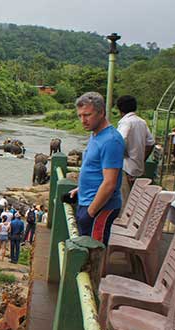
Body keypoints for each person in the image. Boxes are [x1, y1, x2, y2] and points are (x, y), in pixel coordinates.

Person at [70, 92, 125, 245]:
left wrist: (91, 212)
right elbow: (94, 168)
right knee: (84, 248)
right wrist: (81, 189)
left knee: (94, 251)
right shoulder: (96, 134)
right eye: (80, 116)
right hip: (88, 201)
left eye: (87, 115)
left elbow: (110, 183)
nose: (83, 120)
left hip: (100, 208)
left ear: (101, 113)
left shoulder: (111, 140)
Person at [116, 95, 155, 205]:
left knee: (124, 203)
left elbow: (119, 141)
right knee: (134, 203)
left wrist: (123, 155)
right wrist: (141, 159)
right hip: (137, 168)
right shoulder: (142, 122)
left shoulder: (125, 122)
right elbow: (151, 143)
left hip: (125, 168)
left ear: (120, 109)